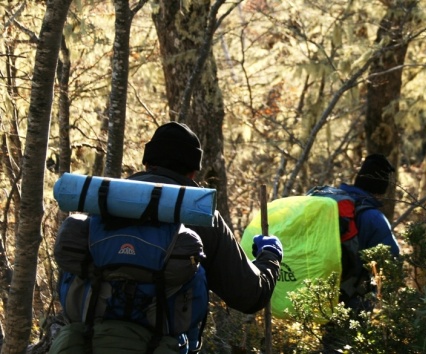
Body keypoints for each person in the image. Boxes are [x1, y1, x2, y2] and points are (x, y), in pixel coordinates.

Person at [52, 121, 283, 354]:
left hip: (85, 346)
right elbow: (249, 296)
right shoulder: (201, 216)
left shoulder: (104, 201)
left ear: (147, 162)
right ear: (193, 171)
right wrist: (270, 255)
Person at [337, 153, 400, 311]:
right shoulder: (373, 218)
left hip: (317, 290)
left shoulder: (333, 204)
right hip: (351, 297)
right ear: (381, 188)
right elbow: (392, 260)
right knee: (345, 335)